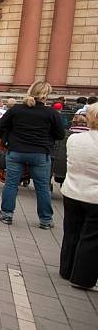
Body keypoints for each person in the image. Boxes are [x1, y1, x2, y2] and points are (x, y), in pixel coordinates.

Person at [0, 81, 64, 229]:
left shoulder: (16, 110)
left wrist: (7, 142)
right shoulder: (51, 113)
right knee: (42, 187)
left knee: (11, 184)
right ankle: (45, 220)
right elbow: (60, 134)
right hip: (40, 153)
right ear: (46, 95)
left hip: (16, 151)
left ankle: (6, 214)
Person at [59, 103, 98, 290]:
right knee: (91, 237)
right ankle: (82, 278)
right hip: (94, 196)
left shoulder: (75, 139)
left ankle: (66, 269)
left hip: (72, 191)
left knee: (71, 232)